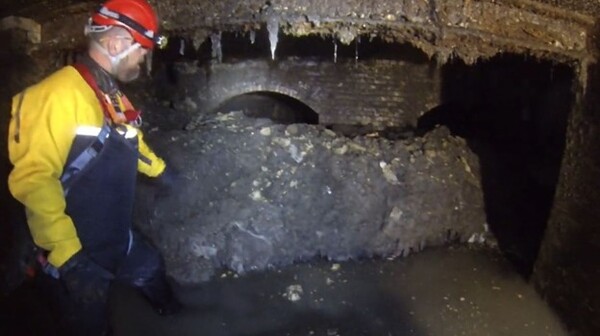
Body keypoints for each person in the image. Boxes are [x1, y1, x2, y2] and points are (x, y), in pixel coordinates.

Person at [6, 0, 181, 334]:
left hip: (115, 237)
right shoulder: (55, 96)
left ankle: (180, 321)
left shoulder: (106, 92)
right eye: (141, 50)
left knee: (152, 272)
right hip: (75, 253)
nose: (143, 59)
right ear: (117, 44)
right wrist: (67, 255)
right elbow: (34, 179)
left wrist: (162, 173)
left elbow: (129, 140)